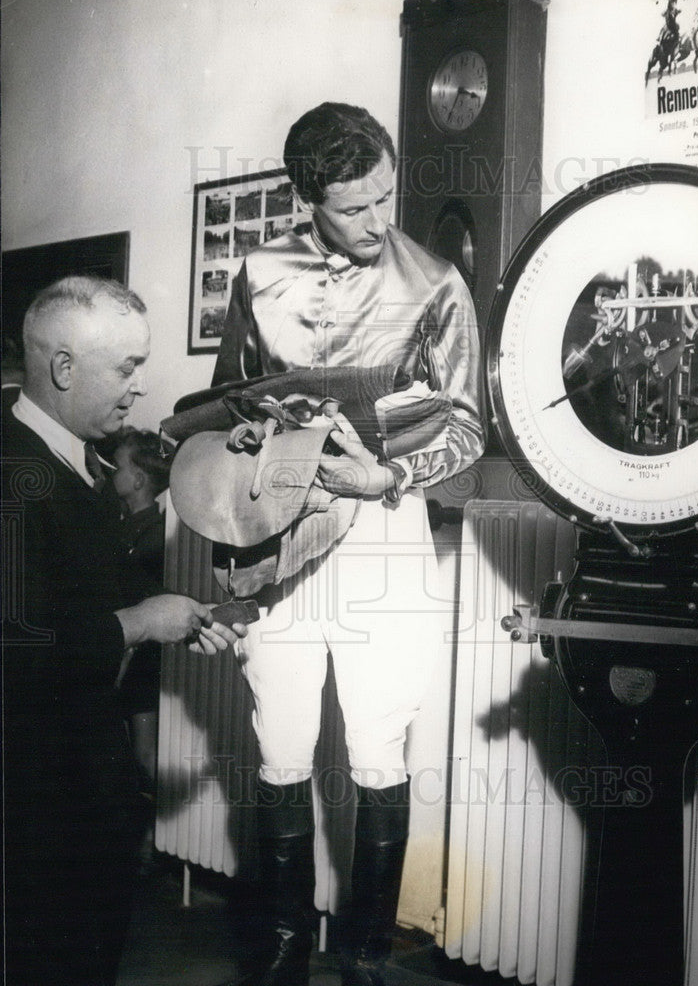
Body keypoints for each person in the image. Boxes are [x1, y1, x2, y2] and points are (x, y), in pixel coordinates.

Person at [212, 102, 485, 986]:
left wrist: (389, 480)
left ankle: (365, 953)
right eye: (353, 208)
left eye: (384, 198)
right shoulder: (256, 272)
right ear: (307, 198)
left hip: (382, 530)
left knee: (377, 749)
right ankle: (287, 944)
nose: (376, 222)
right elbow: (225, 402)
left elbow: (469, 429)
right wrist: (251, 432)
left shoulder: (437, 281)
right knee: (280, 742)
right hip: (280, 530)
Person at [2, 275, 247, 986]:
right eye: (127, 368)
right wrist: (139, 621)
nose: (138, 387)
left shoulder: (74, 459)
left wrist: (169, 608)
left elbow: (78, 582)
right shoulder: (12, 472)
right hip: (33, 802)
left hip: (79, 785)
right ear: (64, 369)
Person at [110, 428, 172, 797]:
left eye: (116, 467)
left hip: (142, 663)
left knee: (145, 755)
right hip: (127, 655)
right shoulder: (127, 526)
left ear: (136, 479)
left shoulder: (154, 534)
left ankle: (158, 835)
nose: (110, 473)